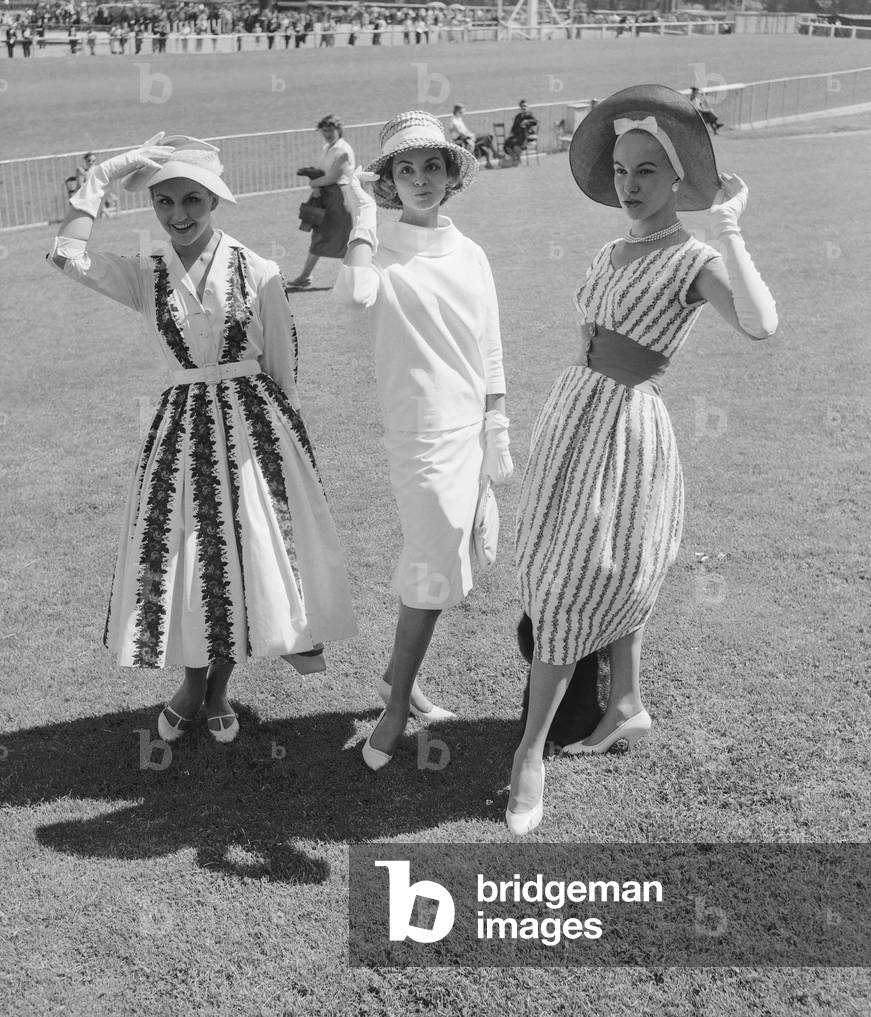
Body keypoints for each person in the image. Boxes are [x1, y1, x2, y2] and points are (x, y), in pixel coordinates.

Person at [506, 84, 777, 834]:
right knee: (587, 563)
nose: (629, 185)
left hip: (624, 428)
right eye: (622, 170)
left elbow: (760, 324)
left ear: (679, 181)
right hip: (573, 419)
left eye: (647, 172)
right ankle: (623, 702)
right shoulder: (610, 247)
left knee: (581, 575)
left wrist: (728, 228)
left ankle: (529, 752)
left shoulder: (692, 257)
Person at [47, 134, 357, 745]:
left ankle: (215, 691)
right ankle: (194, 685)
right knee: (186, 562)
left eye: (192, 200)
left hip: (251, 432)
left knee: (242, 562)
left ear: (215, 200)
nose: (178, 216)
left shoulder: (260, 271)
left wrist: (284, 461)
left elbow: (284, 373)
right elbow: (65, 253)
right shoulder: (147, 273)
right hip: (180, 431)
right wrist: (103, 175)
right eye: (165, 202)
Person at [333, 110, 512, 771]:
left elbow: (488, 346)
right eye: (403, 170)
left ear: (449, 173)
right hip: (417, 435)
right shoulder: (376, 252)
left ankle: (396, 685)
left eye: (430, 165)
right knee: (433, 567)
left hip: (471, 434)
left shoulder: (472, 254)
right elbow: (352, 298)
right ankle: (394, 699)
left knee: (436, 564)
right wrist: (358, 217)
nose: (419, 179)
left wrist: (497, 427)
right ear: (387, 183)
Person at [286, 114, 355, 290]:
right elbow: (324, 172)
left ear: (338, 130)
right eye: (324, 131)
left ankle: (357, 278)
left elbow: (333, 176)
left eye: (330, 130)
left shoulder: (343, 150)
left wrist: (313, 182)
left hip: (339, 197)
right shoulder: (328, 148)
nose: (327, 134)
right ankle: (305, 276)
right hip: (327, 196)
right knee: (321, 235)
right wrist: (313, 175)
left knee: (339, 237)